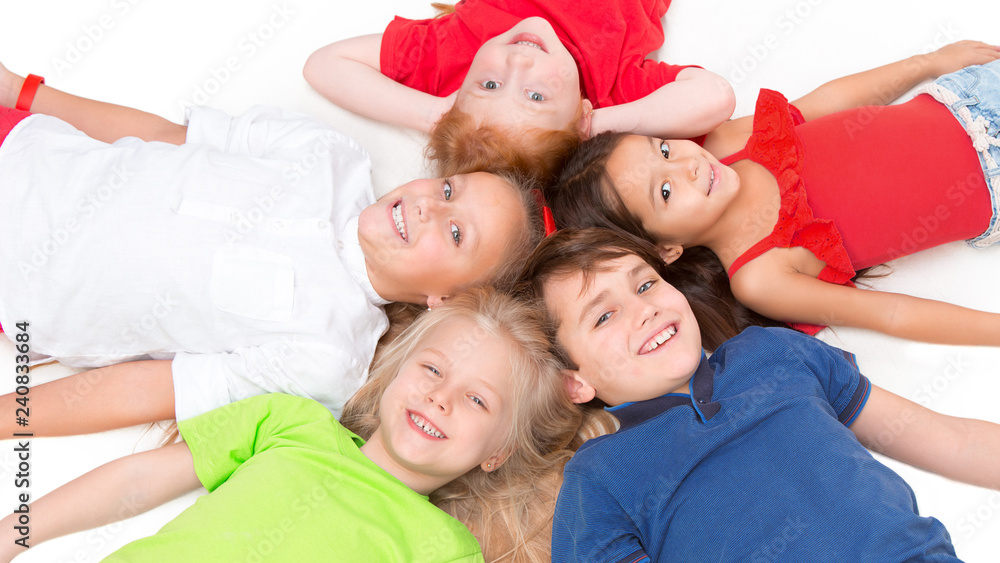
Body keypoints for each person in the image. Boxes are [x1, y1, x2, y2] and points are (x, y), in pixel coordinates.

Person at [0, 64, 543, 437]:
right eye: (449, 190)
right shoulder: (328, 154)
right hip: (23, 148)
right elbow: (161, 137)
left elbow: (149, 389)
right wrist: (20, 91)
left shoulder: (328, 355)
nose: (431, 206)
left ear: (445, 299)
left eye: (456, 234)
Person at [0, 287, 598, 562]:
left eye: (477, 401)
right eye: (433, 369)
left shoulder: (448, 549)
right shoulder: (292, 421)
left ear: (496, 454)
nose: (440, 397)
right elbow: (139, 482)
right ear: (392, 373)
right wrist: (13, 533)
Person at [521, 227, 1000, 562]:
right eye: (603, 316)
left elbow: (949, 439)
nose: (643, 309)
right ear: (574, 382)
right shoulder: (600, 475)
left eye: (646, 284)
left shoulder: (773, 353)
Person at [551, 40, 1000, 344]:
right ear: (666, 249)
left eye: (664, 148)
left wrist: (929, 61)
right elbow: (889, 314)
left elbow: (829, 100)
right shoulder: (758, 276)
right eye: (665, 191)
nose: (687, 165)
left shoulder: (730, 144)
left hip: (967, 98)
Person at [303, 0, 735, 185]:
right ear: (580, 114)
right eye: (536, 95)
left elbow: (323, 65)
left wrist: (439, 116)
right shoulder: (606, 89)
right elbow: (715, 98)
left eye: (489, 86)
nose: (517, 65)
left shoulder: (459, 50)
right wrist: (591, 128)